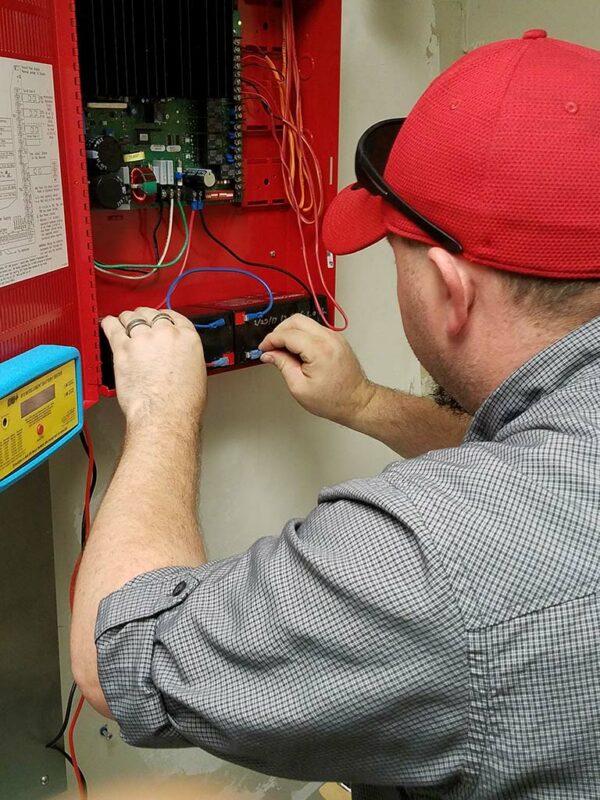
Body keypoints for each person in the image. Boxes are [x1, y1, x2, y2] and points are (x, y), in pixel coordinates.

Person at [71, 30, 600, 799]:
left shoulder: (430, 561)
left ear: (452, 290)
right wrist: (364, 404)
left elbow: (117, 656)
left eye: (393, 251)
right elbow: (539, 459)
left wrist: (158, 410)